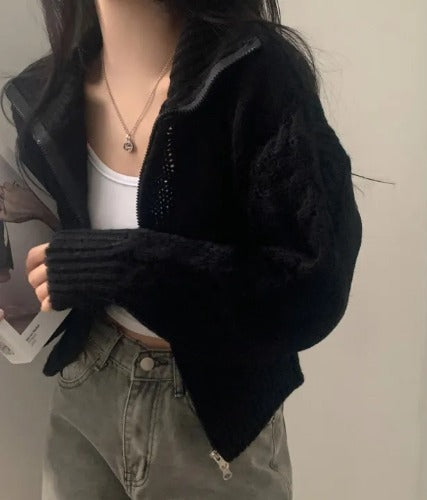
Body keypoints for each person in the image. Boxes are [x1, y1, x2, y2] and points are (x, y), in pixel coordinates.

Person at [2, 0, 363, 498]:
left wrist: (115, 266)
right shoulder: (50, 96)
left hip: (211, 417)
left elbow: (312, 286)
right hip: (86, 389)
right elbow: (77, 244)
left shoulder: (254, 76)